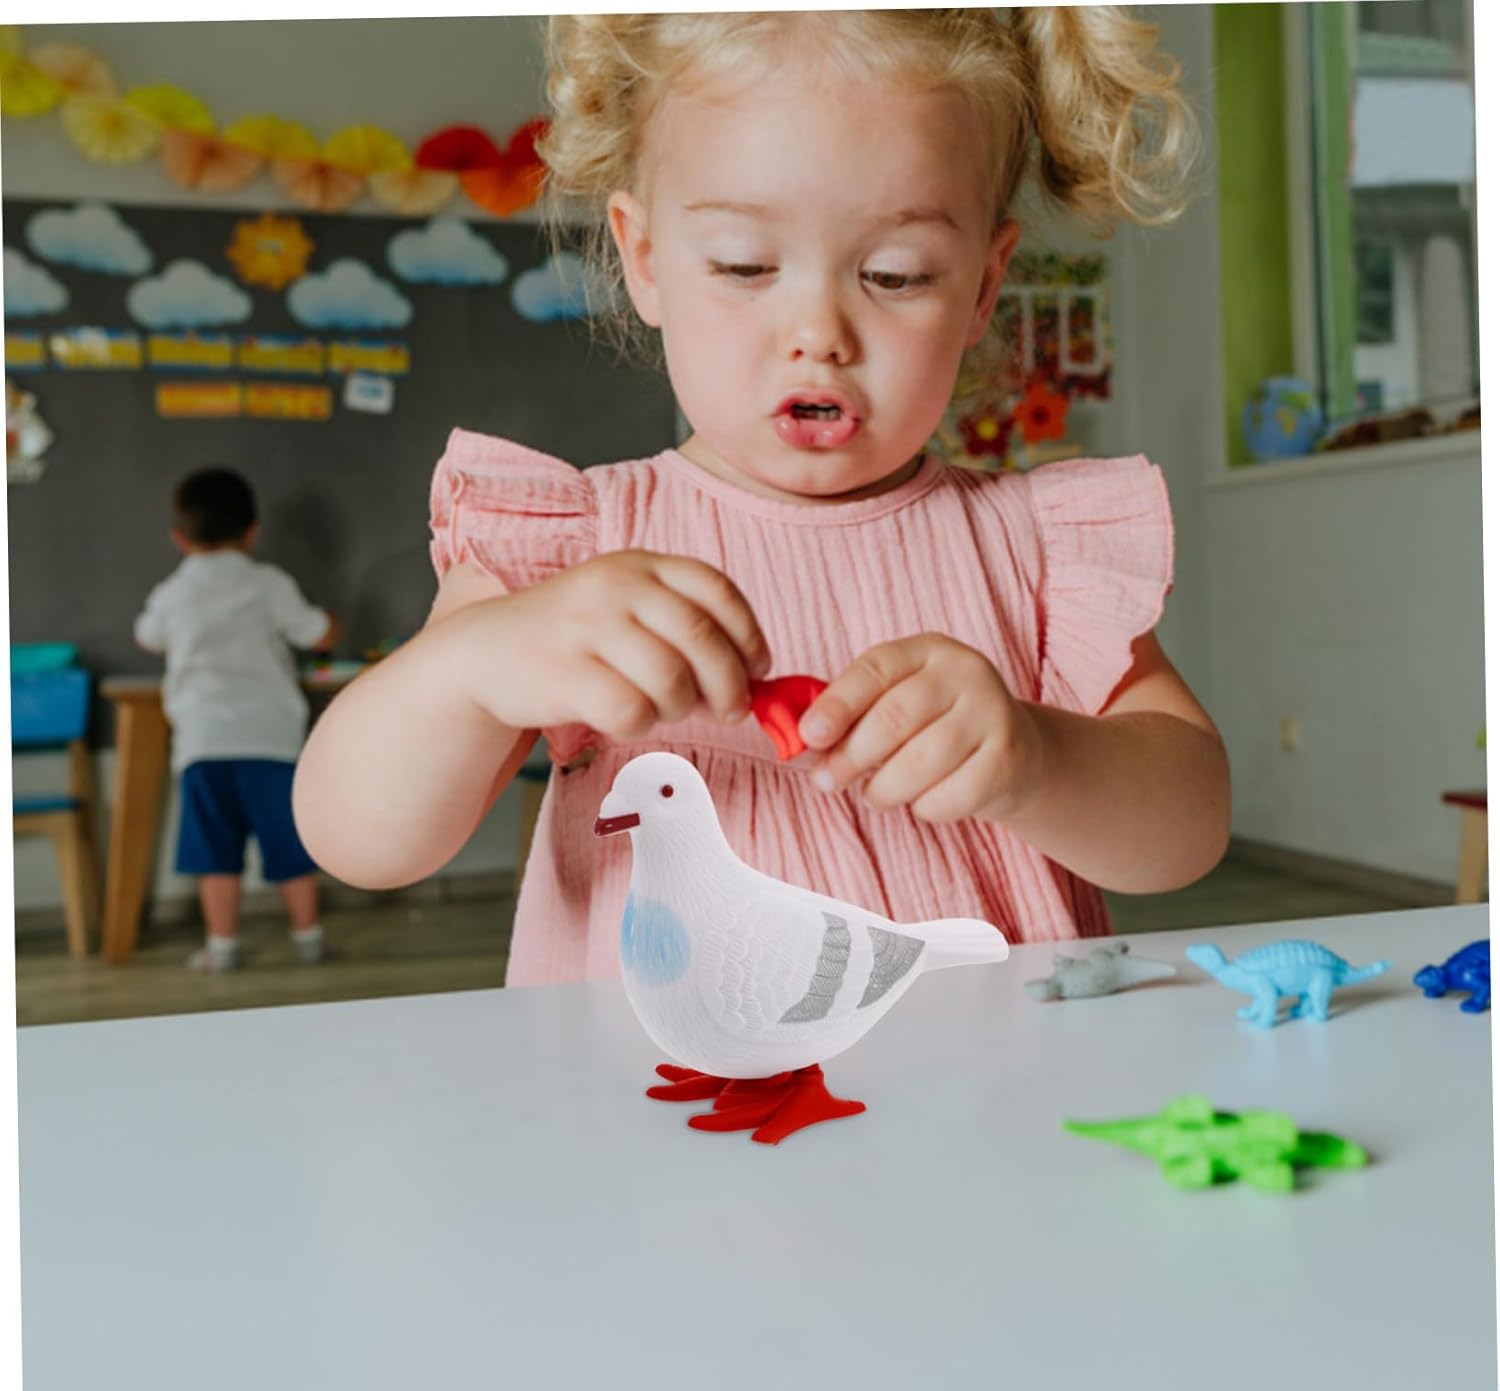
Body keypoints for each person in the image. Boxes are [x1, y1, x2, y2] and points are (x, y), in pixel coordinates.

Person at [295, 7, 1231, 987]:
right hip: (664, 1074)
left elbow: (1190, 829)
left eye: (896, 275)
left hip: (992, 1069)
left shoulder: (1033, 549)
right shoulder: (570, 550)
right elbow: (357, 839)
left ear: (983, 288)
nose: (818, 331)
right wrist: (472, 668)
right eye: (745, 264)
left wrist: (1038, 760)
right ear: (645, 259)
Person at [135, 466, 338, 972]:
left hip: (204, 741)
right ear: (253, 531)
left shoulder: (172, 592)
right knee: (289, 842)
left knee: (216, 851)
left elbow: (148, 636)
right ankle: (309, 936)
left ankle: (222, 946)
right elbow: (315, 633)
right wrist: (331, 624)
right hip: (271, 737)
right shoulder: (270, 584)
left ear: (179, 537)